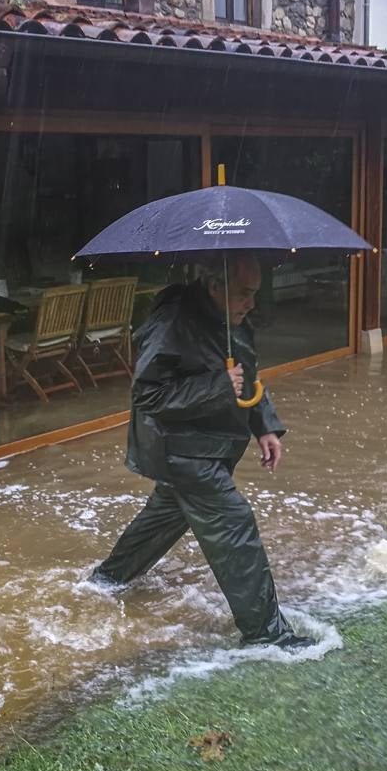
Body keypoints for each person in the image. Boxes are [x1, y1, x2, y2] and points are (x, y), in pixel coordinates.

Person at [91, 253, 315, 649]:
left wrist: (264, 426)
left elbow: (247, 377)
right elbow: (148, 394)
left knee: (165, 516)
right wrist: (215, 385)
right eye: (244, 294)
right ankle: (266, 635)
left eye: (255, 294)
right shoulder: (172, 320)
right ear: (215, 286)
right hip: (181, 452)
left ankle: (105, 582)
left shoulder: (233, 321)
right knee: (235, 523)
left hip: (208, 447)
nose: (251, 303)